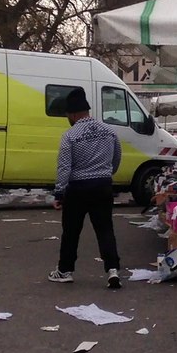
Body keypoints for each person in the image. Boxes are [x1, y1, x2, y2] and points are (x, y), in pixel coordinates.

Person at [50, 88, 124, 287]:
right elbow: (117, 158)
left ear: (73, 114)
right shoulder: (109, 131)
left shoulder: (70, 136)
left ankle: (65, 270)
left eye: (67, 115)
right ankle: (112, 270)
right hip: (103, 186)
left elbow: (64, 166)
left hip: (78, 189)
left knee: (71, 231)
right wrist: (107, 173)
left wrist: (59, 192)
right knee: (105, 229)